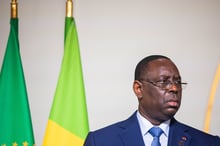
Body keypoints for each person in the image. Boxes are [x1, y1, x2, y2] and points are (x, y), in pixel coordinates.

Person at [84, 55, 220, 146]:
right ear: (138, 88)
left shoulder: (208, 142)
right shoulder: (101, 141)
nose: (174, 88)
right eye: (163, 82)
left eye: (178, 82)